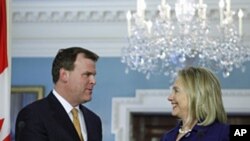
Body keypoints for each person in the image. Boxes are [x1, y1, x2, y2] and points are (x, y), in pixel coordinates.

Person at [15, 47, 102, 141]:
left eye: (93, 75)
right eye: (87, 75)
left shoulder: (94, 120)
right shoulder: (34, 115)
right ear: (64, 75)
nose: (93, 81)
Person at [160, 67, 229, 141]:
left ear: (196, 95)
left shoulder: (223, 133)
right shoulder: (167, 137)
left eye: (176, 91)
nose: (170, 97)